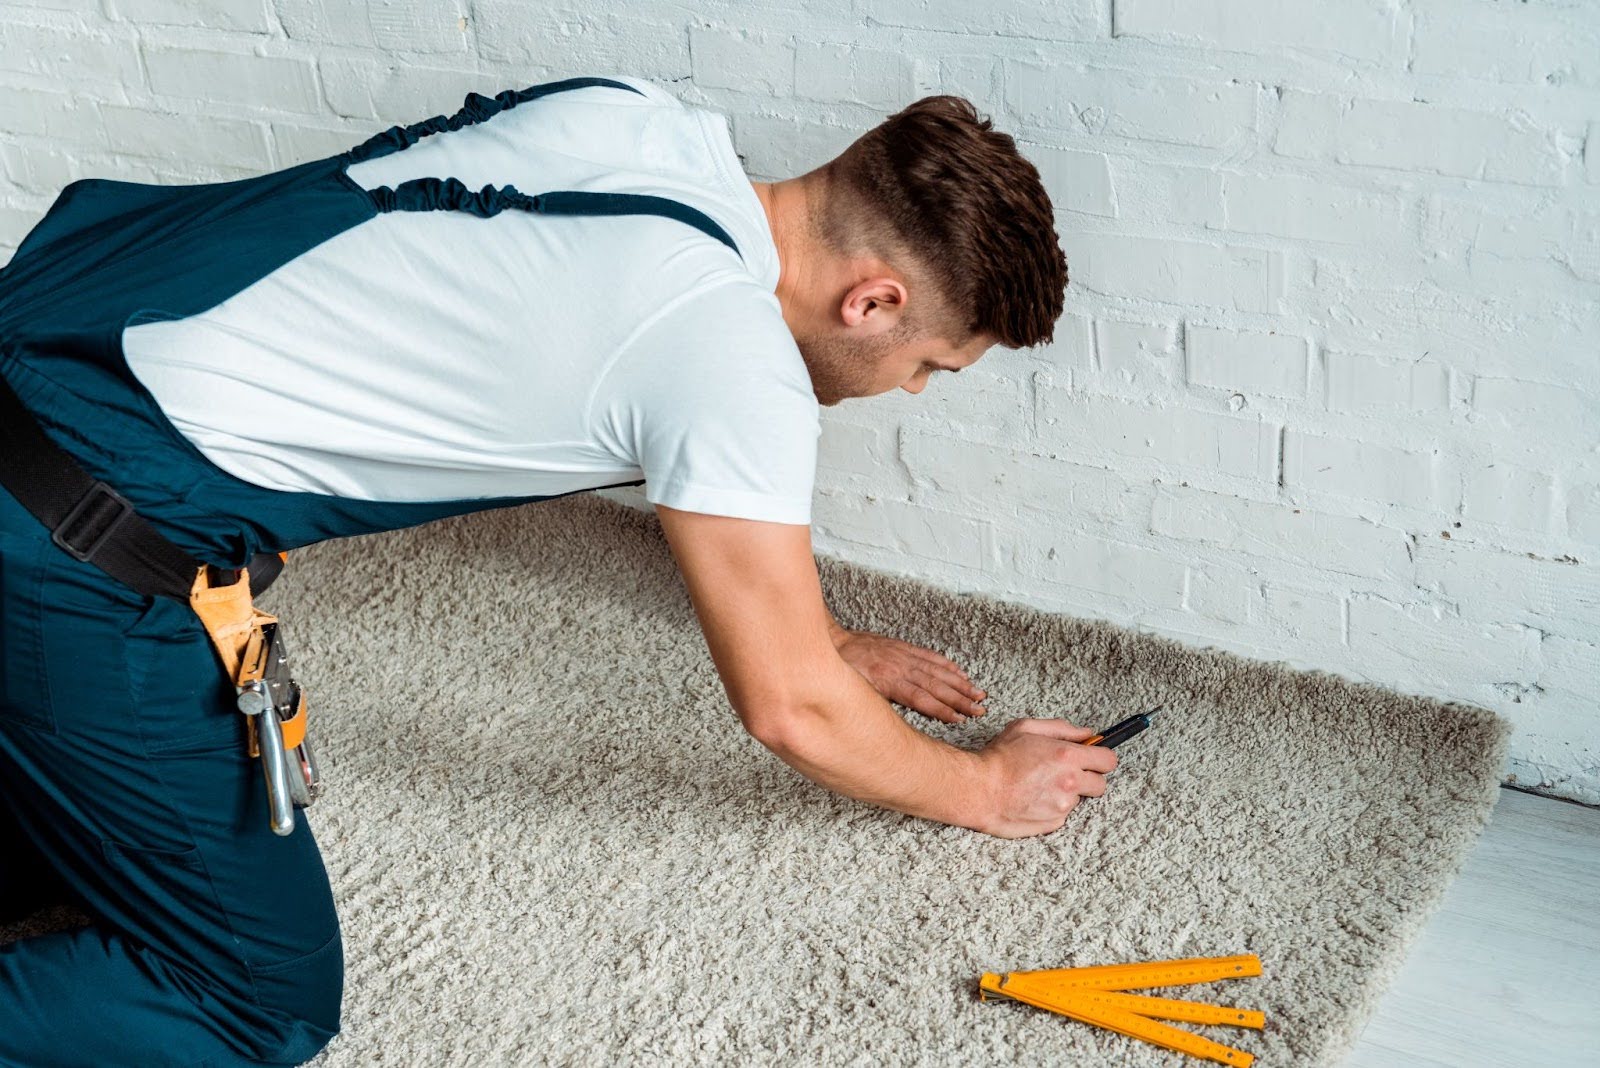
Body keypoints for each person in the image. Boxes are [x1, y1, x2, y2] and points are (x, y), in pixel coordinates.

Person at [0, 74, 1116, 1064]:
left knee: (83, 849)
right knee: (254, 998)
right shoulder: (725, 355)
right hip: (59, 547)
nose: (912, 387)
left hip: (39, 339)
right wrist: (982, 787)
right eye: (928, 362)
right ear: (872, 299)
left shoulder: (633, 116)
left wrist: (815, 635)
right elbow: (792, 714)